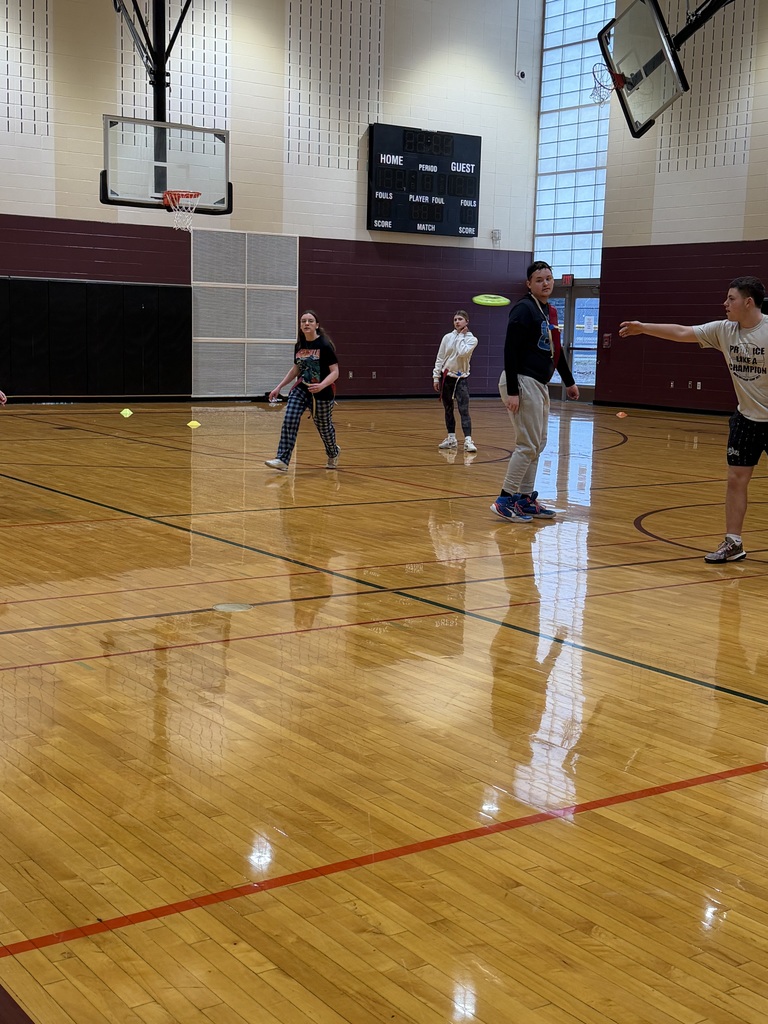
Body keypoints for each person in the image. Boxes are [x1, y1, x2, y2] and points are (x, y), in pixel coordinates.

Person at [619, 275, 768, 563]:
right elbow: (681, 332)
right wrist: (643, 328)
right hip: (746, 419)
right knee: (736, 480)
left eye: (731, 298)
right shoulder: (724, 330)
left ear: (748, 302)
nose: (725, 303)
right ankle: (733, 542)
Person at [490, 261, 579, 522]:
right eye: (539, 279)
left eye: (549, 278)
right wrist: (514, 391)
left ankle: (525, 499)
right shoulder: (524, 309)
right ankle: (505, 499)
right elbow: (510, 350)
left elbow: (556, 351)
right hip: (521, 380)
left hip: (538, 383)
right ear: (529, 284)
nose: (546, 283)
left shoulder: (548, 312)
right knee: (527, 444)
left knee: (537, 444)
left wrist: (569, 381)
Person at [265, 310, 340, 472]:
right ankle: (283, 459)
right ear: (300, 326)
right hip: (302, 388)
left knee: (324, 427)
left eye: (310, 321)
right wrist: (279, 387)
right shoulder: (299, 345)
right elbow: (296, 369)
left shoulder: (324, 345)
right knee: (290, 418)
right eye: (303, 321)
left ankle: (333, 452)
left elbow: (335, 372)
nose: (306, 323)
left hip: (322, 392)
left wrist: (321, 386)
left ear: (317, 325)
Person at [432, 309, 478, 452]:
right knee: (448, 409)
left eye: (460, 319)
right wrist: (436, 376)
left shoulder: (472, 339)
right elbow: (440, 357)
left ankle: (468, 441)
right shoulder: (447, 338)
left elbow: (462, 352)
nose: (457, 322)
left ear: (466, 322)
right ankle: (451, 438)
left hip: (461, 379)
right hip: (447, 378)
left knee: (464, 410)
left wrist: (461, 336)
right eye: (455, 320)